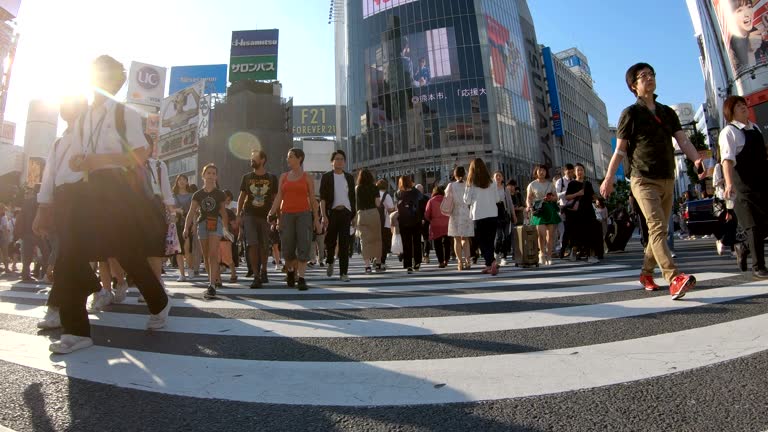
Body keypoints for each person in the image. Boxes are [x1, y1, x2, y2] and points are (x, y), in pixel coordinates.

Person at [53, 55, 172, 353]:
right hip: (88, 189)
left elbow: (141, 153)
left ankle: (159, 301)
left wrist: (99, 160)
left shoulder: (123, 114)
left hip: (118, 190)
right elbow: (77, 158)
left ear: (113, 82)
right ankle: (76, 330)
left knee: (128, 253)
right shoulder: (83, 119)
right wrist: (80, 162)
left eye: (103, 74)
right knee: (70, 253)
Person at [600, 62, 704, 299]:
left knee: (660, 229)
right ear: (633, 86)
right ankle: (673, 277)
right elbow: (620, 150)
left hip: (667, 176)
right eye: (642, 75)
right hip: (642, 178)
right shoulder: (630, 113)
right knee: (657, 227)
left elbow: (683, 141)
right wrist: (609, 179)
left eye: (651, 74)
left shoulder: (667, 112)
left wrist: (697, 160)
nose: (648, 78)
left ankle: (646, 273)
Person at [32, 96, 91, 332]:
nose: (66, 108)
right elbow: (48, 179)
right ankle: (65, 305)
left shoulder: (90, 135)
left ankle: (59, 309)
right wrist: (42, 210)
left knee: (69, 255)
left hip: (85, 197)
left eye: (72, 104)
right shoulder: (58, 143)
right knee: (69, 255)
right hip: (62, 200)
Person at [718, 95, 768, 278]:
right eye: (738, 106)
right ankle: (758, 267)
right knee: (752, 226)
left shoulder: (755, 127)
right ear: (730, 112)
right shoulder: (729, 132)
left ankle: (743, 246)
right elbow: (727, 161)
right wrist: (729, 184)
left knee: (765, 224)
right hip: (743, 186)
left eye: (743, 104)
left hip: (762, 182)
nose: (743, 107)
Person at [269, 148, 320, 290]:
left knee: (304, 245)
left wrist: (316, 219)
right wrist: (271, 212)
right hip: (286, 215)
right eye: (288, 156)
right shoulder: (283, 177)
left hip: (304, 214)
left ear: (299, 159)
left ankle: (302, 278)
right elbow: (279, 196)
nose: (288, 159)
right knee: (287, 247)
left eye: (290, 157)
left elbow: (312, 199)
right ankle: (291, 271)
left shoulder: (307, 177)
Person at [184, 163, 229, 299]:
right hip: (202, 224)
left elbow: (224, 212)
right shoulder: (198, 194)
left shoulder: (220, 193)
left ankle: (212, 285)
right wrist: (186, 227)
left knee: (213, 253)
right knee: (206, 256)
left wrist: (226, 229)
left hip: (216, 223)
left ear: (216, 176)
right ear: (203, 176)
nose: (211, 176)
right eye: (208, 173)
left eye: (213, 173)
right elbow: (191, 212)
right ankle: (214, 280)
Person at [237, 149, 278, 289]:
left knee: (264, 245)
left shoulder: (272, 178)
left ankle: (264, 270)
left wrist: (276, 217)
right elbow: (241, 198)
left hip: (266, 216)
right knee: (252, 244)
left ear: (263, 160)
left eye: (255, 157)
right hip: (249, 215)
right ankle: (256, 276)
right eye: (251, 157)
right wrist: (238, 215)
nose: (251, 160)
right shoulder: (246, 177)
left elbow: (275, 199)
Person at [319, 150, 356, 282]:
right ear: (332, 162)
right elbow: (322, 199)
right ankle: (330, 261)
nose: (339, 161)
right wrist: (323, 215)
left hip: (346, 212)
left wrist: (354, 216)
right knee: (330, 241)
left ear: (344, 162)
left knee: (345, 244)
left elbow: (352, 197)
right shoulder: (327, 177)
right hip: (332, 213)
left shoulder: (349, 177)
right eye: (337, 159)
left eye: (342, 159)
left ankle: (343, 273)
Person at [464, 158, 502, 275]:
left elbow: (466, 200)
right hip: (492, 214)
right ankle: (489, 264)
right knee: (490, 241)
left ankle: (492, 262)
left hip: (478, 215)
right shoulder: (492, 182)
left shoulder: (471, 183)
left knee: (481, 241)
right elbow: (497, 199)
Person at [564, 163, 600, 263]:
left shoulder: (588, 184)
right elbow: (567, 197)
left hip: (588, 211)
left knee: (590, 233)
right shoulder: (572, 183)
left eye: (581, 170)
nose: (580, 172)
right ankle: (574, 252)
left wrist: (597, 200)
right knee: (576, 234)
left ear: (584, 172)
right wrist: (577, 194)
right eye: (578, 170)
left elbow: (592, 195)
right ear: (575, 172)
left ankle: (591, 255)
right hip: (576, 213)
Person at [526, 164, 560, 266]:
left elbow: (556, 197)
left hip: (549, 209)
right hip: (538, 210)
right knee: (541, 234)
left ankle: (549, 256)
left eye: (544, 170)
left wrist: (551, 198)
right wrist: (528, 206)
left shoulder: (550, 184)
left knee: (550, 235)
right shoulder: (532, 185)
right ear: (536, 172)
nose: (542, 172)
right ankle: (542, 253)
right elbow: (528, 198)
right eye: (539, 170)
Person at [446, 166, 474, 271]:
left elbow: (447, 197)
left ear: (455, 174)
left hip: (455, 212)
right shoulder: (468, 184)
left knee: (456, 238)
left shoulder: (451, 185)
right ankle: (468, 261)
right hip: (466, 212)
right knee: (465, 238)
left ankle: (459, 262)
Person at [355, 169, 382, 273]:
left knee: (364, 240)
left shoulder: (357, 188)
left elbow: (355, 204)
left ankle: (367, 266)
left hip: (361, 214)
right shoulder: (374, 187)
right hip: (373, 213)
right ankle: (378, 263)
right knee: (377, 238)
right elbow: (378, 203)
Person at [395, 175, 423, 273]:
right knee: (417, 242)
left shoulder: (398, 193)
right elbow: (422, 203)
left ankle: (408, 265)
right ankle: (417, 263)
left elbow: (397, 207)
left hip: (403, 221)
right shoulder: (416, 192)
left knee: (406, 243)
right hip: (416, 220)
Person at [424, 184, 451, 268]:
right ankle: (446, 259)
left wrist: (430, 220)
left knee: (437, 243)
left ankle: (440, 261)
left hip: (435, 224)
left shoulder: (431, 201)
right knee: (447, 243)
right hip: (447, 223)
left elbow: (427, 214)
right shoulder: (446, 200)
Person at [173, 174, 193, 282]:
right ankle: (182, 274)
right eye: (179, 180)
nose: (181, 181)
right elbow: (169, 209)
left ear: (187, 182)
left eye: (184, 180)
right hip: (176, 224)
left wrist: (194, 224)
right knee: (178, 250)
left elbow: (194, 210)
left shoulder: (191, 195)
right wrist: (177, 210)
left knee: (187, 249)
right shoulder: (173, 195)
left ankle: (190, 268)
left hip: (188, 223)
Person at [493, 171, 514, 266]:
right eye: (496, 176)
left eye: (499, 176)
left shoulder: (505, 189)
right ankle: (496, 253)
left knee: (506, 236)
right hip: (495, 215)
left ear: (502, 178)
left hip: (505, 214)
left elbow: (510, 203)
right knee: (499, 236)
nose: (498, 177)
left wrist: (513, 214)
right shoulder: (491, 189)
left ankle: (504, 256)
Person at [555, 163, 575, 256]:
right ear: (564, 171)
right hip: (563, 208)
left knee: (572, 229)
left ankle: (571, 248)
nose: (570, 174)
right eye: (568, 172)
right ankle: (563, 249)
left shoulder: (574, 181)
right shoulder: (560, 181)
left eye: (572, 172)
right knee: (563, 230)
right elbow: (557, 195)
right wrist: (567, 192)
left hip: (574, 208)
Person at [376, 179, 395, 271]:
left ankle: (375, 259)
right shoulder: (386, 195)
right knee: (384, 243)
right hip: (385, 223)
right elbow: (391, 208)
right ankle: (382, 262)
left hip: (374, 221)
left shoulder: (374, 194)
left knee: (376, 242)